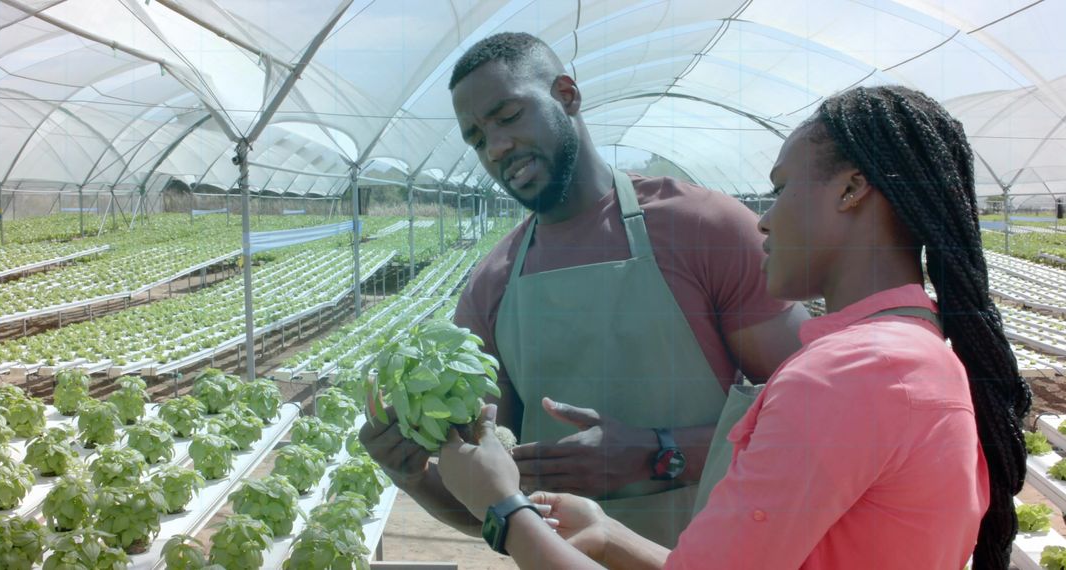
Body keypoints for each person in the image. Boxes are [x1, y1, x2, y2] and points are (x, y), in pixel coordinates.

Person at [437, 85, 1031, 569]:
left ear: (852, 189)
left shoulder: (849, 375)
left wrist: (505, 510)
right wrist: (610, 534)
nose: (764, 221)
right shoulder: (908, 355)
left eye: (779, 190)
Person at [360, 31, 806, 547]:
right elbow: (493, 505)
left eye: (508, 116)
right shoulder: (492, 285)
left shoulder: (704, 229)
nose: (497, 147)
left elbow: (813, 421)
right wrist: (411, 474)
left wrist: (658, 453)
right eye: (478, 139)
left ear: (567, 95)